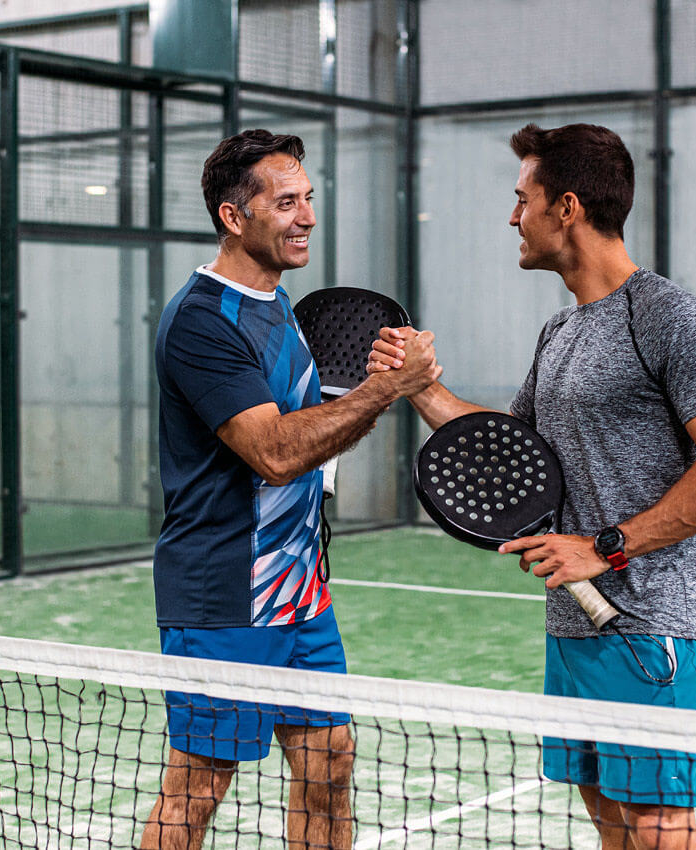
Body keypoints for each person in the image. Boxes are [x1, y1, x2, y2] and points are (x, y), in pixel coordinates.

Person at [369, 123, 696, 850]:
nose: (511, 216)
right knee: (611, 822)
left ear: (567, 207)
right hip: (573, 624)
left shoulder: (672, 320)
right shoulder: (562, 332)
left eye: (522, 199)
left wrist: (605, 548)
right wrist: (419, 386)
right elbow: (508, 449)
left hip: (644, 625)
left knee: (656, 828)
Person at [142, 129, 440, 850]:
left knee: (328, 763)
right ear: (233, 217)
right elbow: (275, 454)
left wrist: (374, 394)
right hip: (225, 594)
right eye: (285, 202)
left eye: (308, 198)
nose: (307, 215)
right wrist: (384, 391)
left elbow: (312, 435)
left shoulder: (278, 305)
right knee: (199, 785)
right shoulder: (202, 321)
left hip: (298, 591)